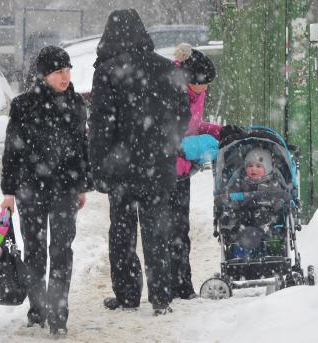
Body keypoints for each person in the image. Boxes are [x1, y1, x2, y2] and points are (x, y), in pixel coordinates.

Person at [88, 9, 191, 315]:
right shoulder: (165, 67)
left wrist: (99, 167)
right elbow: (183, 114)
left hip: (121, 168)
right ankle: (161, 297)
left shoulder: (107, 72)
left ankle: (127, 294)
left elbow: (100, 126)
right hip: (158, 165)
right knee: (157, 230)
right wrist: (168, 145)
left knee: (122, 232)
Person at [0, 46, 92, 336]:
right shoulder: (23, 105)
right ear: (43, 76)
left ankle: (58, 314)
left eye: (67, 70)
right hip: (31, 189)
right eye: (57, 72)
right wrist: (9, 191)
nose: (65, 76)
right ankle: (37, 308)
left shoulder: (76, 103)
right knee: (36, 252)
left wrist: (81, 186)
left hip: (65, 189)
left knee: (62, 250)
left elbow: (81, 148)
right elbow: (12, 152)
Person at [169, 43, 222, 300]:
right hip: (166, 171)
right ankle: (167, 287)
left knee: (180, 229)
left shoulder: (196, 91)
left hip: (183, 170)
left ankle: (182, 285)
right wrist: (181, 149)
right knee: (164, 231)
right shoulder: (170, 89)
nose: (206, 89)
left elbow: (196, 126)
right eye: (204, 84)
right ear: (191, 80)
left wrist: (220, 131)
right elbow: (167, 135)